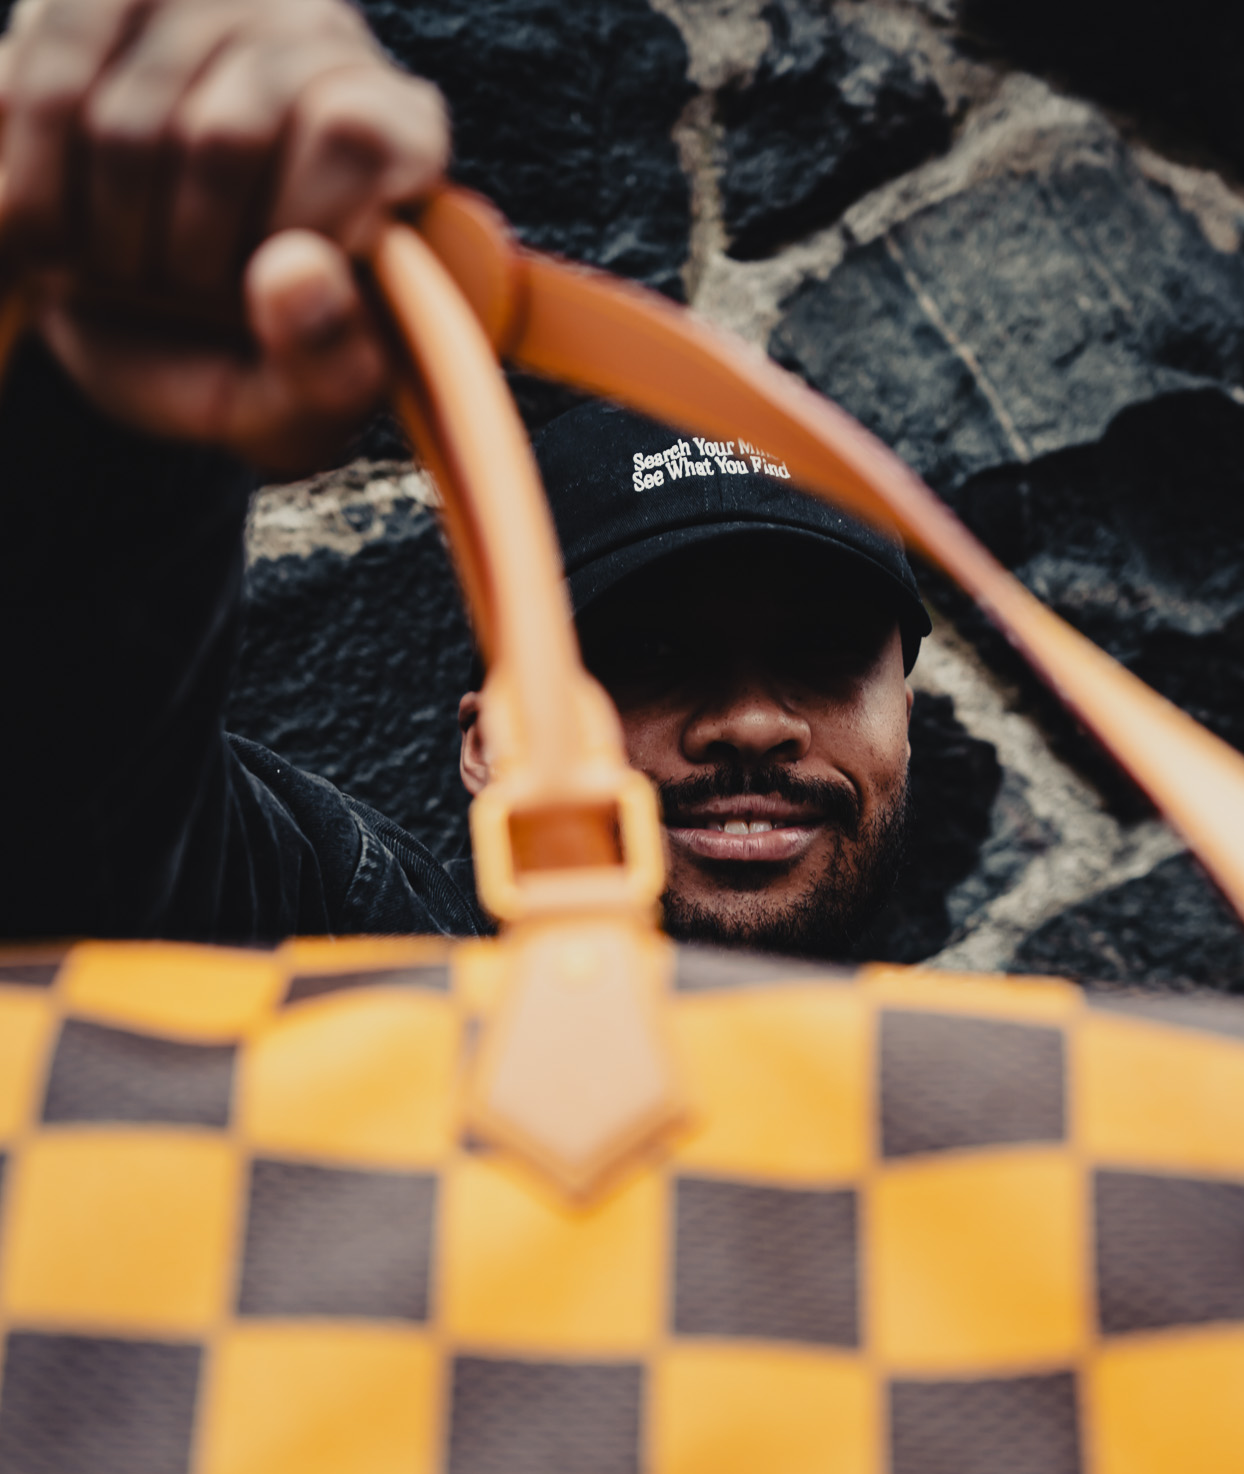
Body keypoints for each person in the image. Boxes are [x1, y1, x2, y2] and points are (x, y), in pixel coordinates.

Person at [0, 0, 929, 958]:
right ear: (490, 744)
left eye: (822, 652)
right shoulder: (351, 952)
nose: (750, 723)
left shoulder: (1022, 1086)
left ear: (902, 714)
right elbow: (70, 765)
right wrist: (99, 405)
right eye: (647, 655)